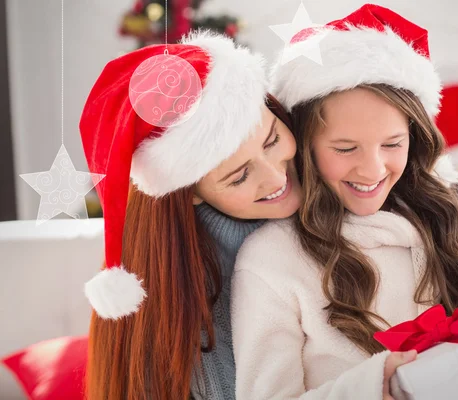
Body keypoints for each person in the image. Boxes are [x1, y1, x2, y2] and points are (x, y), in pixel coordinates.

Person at [231, 5, 458, 399]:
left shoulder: (446, 222)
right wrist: (376, 388)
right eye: (345, 148)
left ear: (415, 139)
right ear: (306, 146)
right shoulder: (271, 260)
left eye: (392, 144)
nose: (372, 169)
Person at [79, 31, 304, 399]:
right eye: (240, 176)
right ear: (192, 195)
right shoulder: (187, 292)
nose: (276, 176)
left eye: (273, 140)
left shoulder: (334, 188)